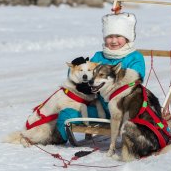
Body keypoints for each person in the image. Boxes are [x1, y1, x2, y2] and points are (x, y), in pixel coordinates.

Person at [56, 12, 146, 143]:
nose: (114, 41)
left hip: (125, 110)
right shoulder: (99, 56)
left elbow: (134, 80)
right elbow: (83, 75)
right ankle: (57, 141)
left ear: (127, 37)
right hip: (101, 110)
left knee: (144, 120)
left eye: (118, 36)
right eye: (109, 36)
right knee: (67, 113)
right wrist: (78, 73)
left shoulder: (135, 57)